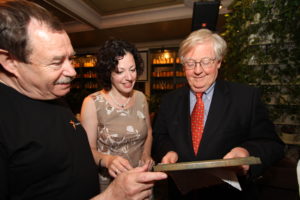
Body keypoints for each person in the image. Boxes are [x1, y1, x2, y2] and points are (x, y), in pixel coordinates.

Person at [0, 1, 167, 200]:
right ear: (10, 62)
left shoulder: (52, 95)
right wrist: (112, 195)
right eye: (56, 62)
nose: (72, 71)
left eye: (70, 58)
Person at [152, 28, 285, 200]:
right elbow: (160, 136)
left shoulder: (246, 97)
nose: (198, 71)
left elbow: (272, 144)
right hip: (181, 194)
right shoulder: (170, 100)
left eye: (206, 61)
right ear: (183, 65)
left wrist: (246, 152)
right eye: (191, 63)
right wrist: (168, 151)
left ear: (219, 62)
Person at [80, 39, 154, 191]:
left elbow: (149, 132)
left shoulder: (140, 98)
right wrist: (107, 160)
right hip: (111, 185)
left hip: (141, 178)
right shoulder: (92, 103)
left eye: (132, 70)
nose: (129, 77)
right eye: (120, 71)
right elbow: (88, 150)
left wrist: (146, 154)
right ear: (108, 73)